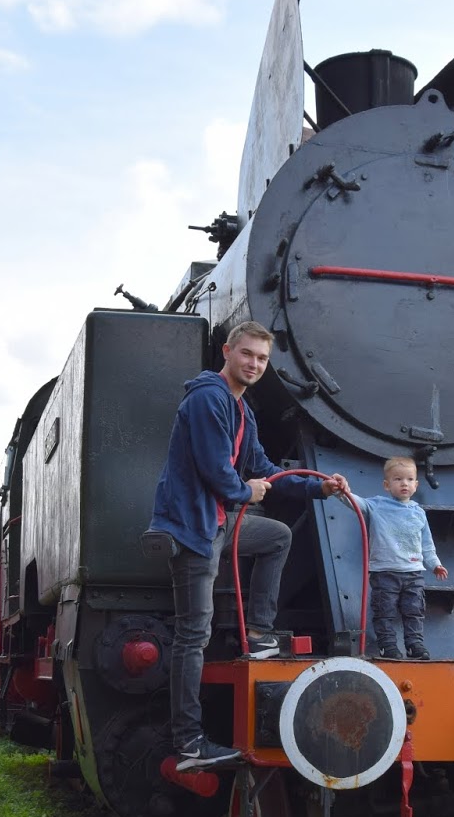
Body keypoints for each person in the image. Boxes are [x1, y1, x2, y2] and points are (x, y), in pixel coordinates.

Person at [149, 321, 349, 770]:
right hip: (191, 529)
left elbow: (265, 469)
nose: (254, 364)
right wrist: (246, 492)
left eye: (262, 358)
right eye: (247, 354)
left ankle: (258, 634)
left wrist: (319, 488)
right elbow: (216, 471)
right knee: (193, 635)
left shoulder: (243, 411)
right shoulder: (208, 398)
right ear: (228, 352)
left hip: (217, 525)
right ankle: (188, 744)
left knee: (277, 536)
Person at [342, 457, 448, 660]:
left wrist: (435, 564)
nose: (404, 484)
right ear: (387, 485)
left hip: (413, 572)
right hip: (385, 572)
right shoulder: (376, 505)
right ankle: (387, 645)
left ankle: (415, 645)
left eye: (409, 479)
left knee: (414, 611)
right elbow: (355, 503)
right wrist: (341, 491)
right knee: (384, 611)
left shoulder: (419, 513)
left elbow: (427, 544)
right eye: (398, 479)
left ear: (416, 485)